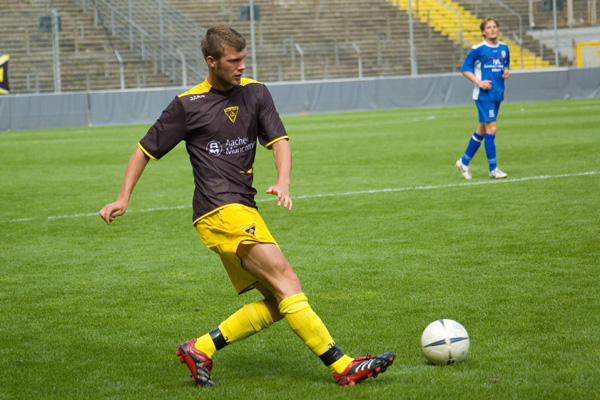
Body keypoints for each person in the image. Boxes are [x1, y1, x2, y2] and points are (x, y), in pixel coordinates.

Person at [99, 24, 394, 387]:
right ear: (211, 61)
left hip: (243, 209)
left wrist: (283, 181)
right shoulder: (188, 104)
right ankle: (343, 366)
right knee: (287, 280)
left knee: (279, 300)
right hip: (218, 210)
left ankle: (201, 347)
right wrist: (123, 197)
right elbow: (144, 149)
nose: (241, 66)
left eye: (243, 59)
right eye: (233, 61)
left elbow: (280, 141)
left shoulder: (256, 92)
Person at [456, 17, 510, 180]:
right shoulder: (478, 49)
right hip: (483, 95)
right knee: (492, 128)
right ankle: (493, 169)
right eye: (489, 27)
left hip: (497, 93)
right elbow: (465, 69)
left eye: (494, 26)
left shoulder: (504, 47)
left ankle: (464, 162)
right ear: (483, 32)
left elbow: (505, 65)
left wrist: (506, 71)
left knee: (482, 130)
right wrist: (479, 82)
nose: (492, 29)